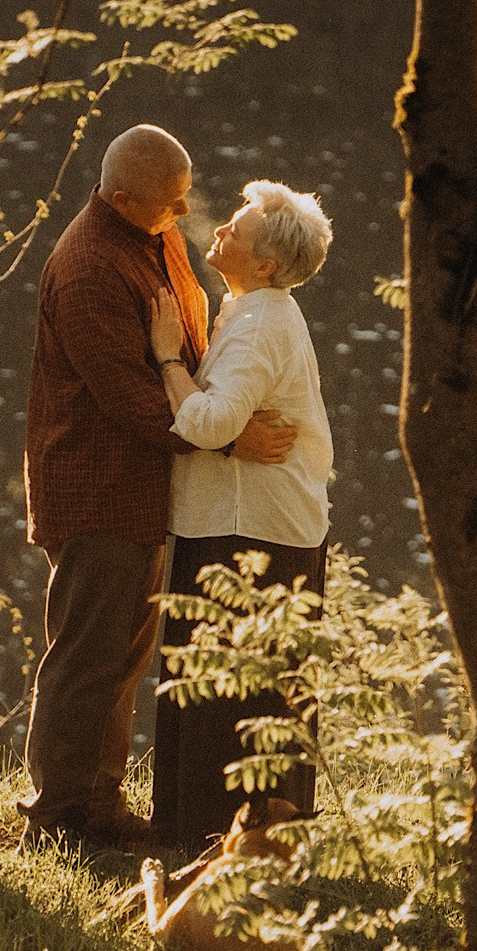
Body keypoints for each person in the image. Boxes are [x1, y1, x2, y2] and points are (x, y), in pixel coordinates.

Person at [18, 127, 296, 850]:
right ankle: (54, 819)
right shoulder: (87, 268)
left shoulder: (154, 236)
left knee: (125, 656)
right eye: (169, 204)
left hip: (143, 488)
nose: (183, 213)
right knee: (84, 657)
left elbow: (188, 332)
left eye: (184, 198)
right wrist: (229, 435)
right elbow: (127, 398)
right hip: (94, 486)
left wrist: (218, 398)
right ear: (120, 198)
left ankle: (100, 804)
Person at [148, 179, 334, 854]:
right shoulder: (249, 309)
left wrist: (169, 354)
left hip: (248, 534)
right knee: (235, 690)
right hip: (245, 523)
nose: (221, 227)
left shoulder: (260, 326)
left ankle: (217, 845)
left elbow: (207, 422)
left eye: (239, 224)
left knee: (232, 692)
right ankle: (223, 842)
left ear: (265, 263)